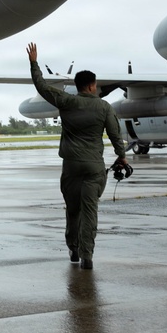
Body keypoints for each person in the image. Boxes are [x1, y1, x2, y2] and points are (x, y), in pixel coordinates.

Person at [28, 42, 127, 270]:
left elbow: (42, 86)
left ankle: (73, 249)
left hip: (71, 167)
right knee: (89, 211)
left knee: (73, 211)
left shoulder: (67, 101)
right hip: (94, 168)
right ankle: (87, 256)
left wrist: (34, 63)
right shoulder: (104, 107)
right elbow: (115, 134)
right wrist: (122, 156)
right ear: (92, 86)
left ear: (78, 85)